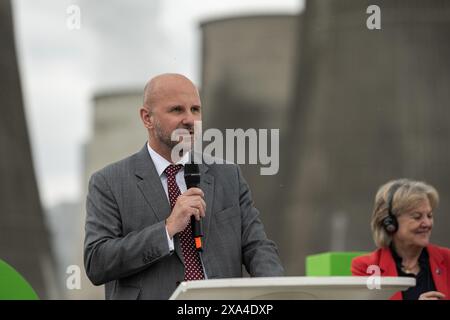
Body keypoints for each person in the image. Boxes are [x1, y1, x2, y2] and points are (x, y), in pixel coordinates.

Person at [84, 73, 284, 299]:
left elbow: (257, 246)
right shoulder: (109, 182)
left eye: (195, 110)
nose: (190, 119)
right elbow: (97, 261)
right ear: (147, 118)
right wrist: (167, 229)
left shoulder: (228, 176)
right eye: (177, 110)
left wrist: (276, 291)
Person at [351, 178, 450, 300]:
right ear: (389, 223)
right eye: (417, 217)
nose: (427, 223)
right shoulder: (367, 268)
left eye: (429, 216)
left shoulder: (447, 259)